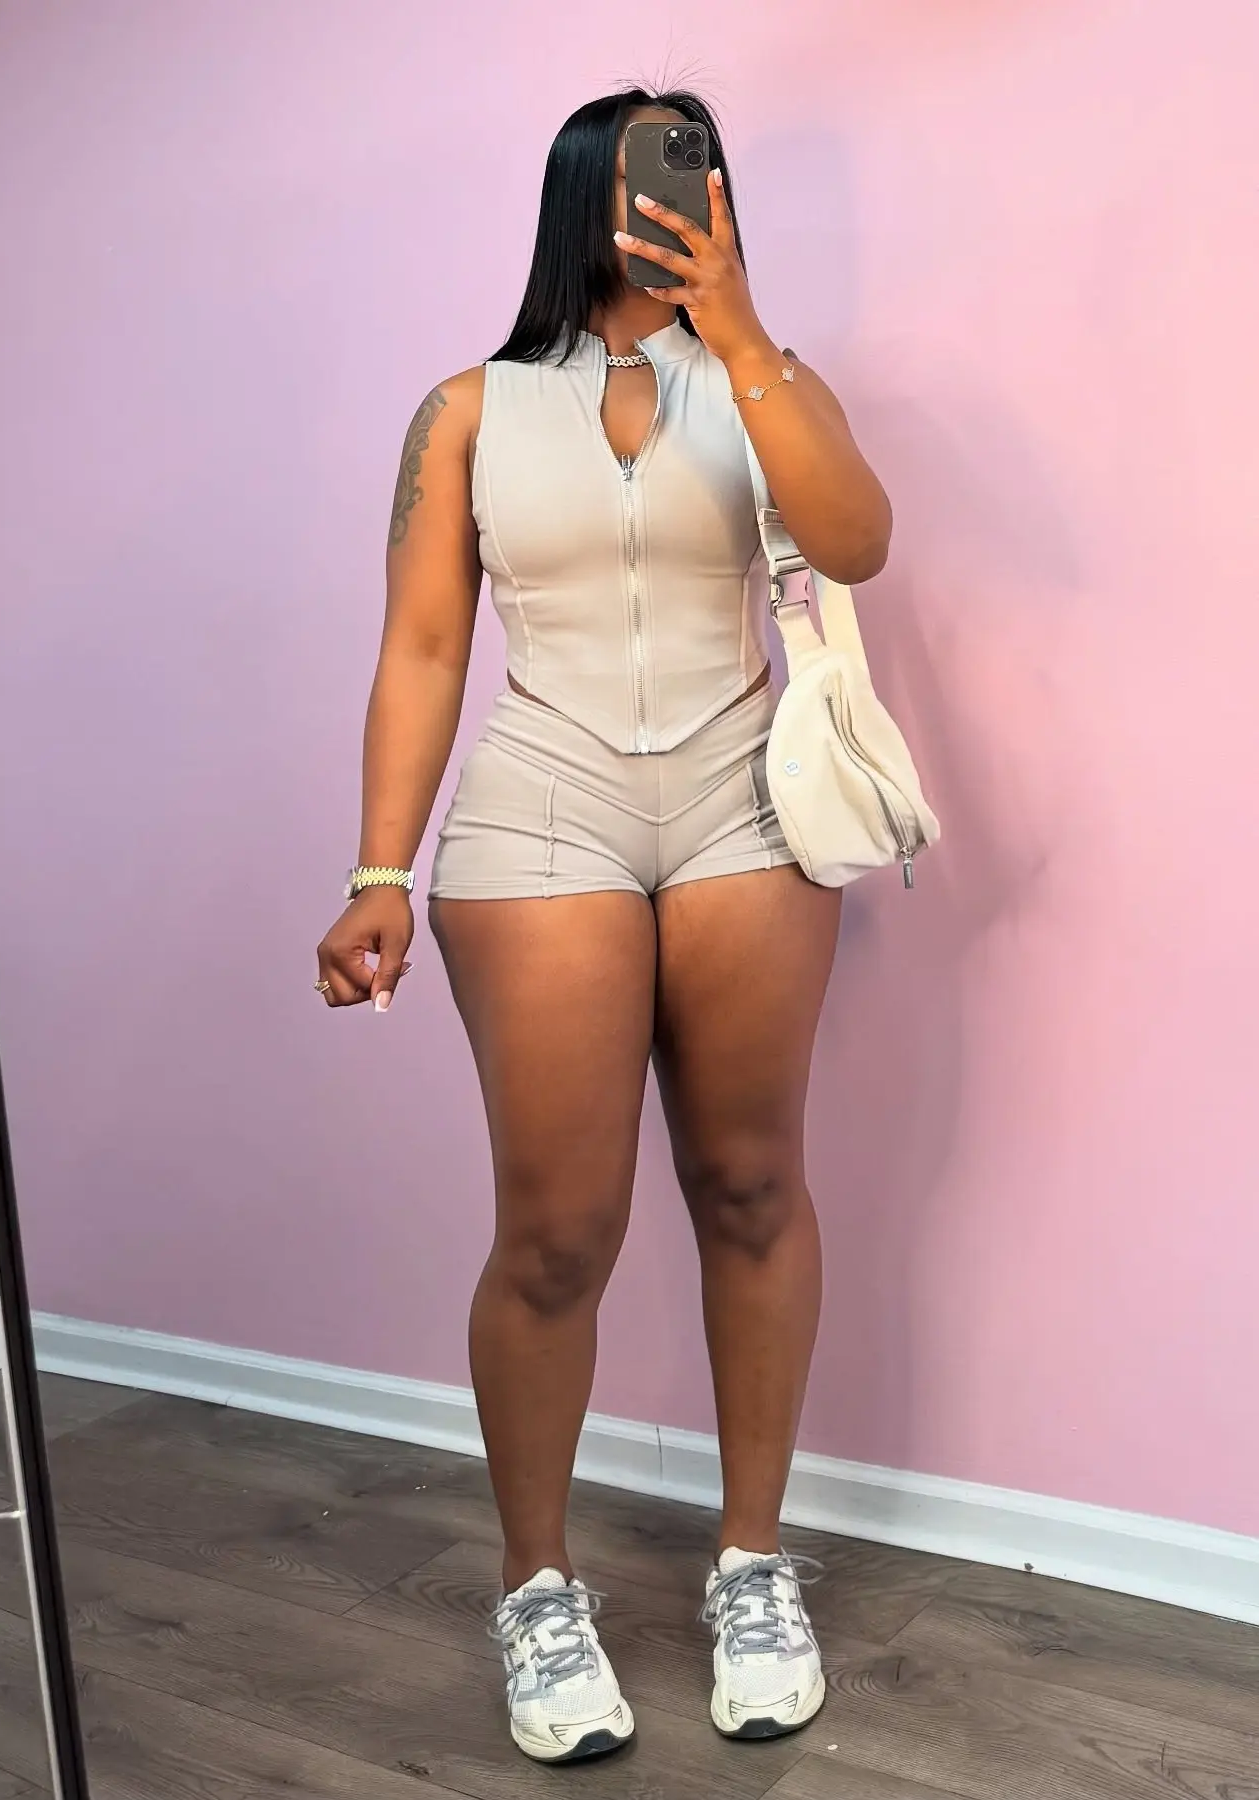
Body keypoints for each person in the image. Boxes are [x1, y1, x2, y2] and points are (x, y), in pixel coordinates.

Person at [315, 87, 892, 1764]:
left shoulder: (768, 379)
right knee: (557, 1233)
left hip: (741, 805)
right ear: (589, 196)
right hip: (541, 805)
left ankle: (751, 1565)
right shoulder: (467, 409)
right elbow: (425, 647)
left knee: (750, 1184)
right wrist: (377, 870)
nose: (673, 203)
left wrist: (743, 330)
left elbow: (855, 543)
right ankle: (534, 1590)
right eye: (648, 177)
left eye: (697, 177)